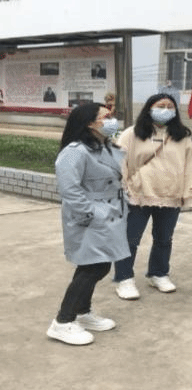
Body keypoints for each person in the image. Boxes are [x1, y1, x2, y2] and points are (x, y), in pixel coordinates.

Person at [47, 103, 129, 345]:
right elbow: (70, 189)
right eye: (106, 117)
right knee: (92, 267)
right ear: (89, 123)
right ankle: (62, 322)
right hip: (91, 215)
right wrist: (89, 215)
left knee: (98, 265)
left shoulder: (104, 146)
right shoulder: (75, 151)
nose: (112, 120)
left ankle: (83, 312)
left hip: (109, 212)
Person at [113, 93, 192, 300]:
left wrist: (188, 193)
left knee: (164, 239)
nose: (165, 110)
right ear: (149, 108)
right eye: (161, 106)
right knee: (130, 239)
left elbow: (190, 166)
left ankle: (158, 273)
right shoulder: (132, 133)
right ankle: (124, 278)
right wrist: (123, 188)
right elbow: (119, 162)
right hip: (138, 195)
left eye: (170, 107)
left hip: (171, 195)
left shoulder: (182, 136)